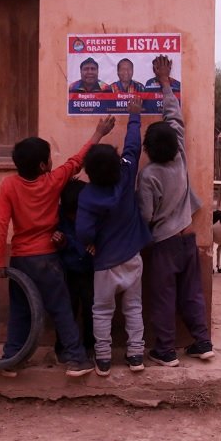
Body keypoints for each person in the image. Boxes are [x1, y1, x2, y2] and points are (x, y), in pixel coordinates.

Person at [0, 115, 115, 377]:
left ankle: (11, 359)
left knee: (20, 309)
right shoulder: (53, 181)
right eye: (49, 158)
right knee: (61, 309)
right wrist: (98, 134)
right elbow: (77, 160)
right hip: (47, 258)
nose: (52, 162)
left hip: (21, 260)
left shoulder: (9, 185)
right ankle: (76, 360)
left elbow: (1, 225)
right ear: (43, 165)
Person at [137, 55, 214, 366]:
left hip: (164, 245)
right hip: (187, 238)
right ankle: (203, 342)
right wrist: (166, 82)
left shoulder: (149, 175)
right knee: (192, 292)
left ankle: (166, 350)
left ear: (148, 149)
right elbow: (175, 118)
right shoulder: (180, 157)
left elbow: (145, 216)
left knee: (163, 297)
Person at [76, 96, 152, 375]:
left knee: (102, 310)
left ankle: (104, 359)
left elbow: (83, 230)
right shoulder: (126, 171)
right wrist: (134, 115)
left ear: (89, 172)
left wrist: (89, 243)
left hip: (104, 263)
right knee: (133, 308)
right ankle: (135, 356)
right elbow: (133, 145)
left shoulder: (87, 195)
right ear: (117, 162)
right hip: (132, 256)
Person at [51, 179, 95, 359]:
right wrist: (61, 241)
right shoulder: (59, 216)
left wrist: (96, 243)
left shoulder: (92, 214)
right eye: (72, 214)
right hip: (67, 271)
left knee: (91, 308)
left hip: (89, 270)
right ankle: (62, 348)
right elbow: (59, 239)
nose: (76, 217)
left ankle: (90, 346)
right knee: (67, 309)